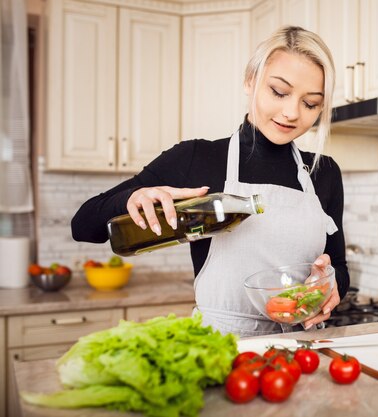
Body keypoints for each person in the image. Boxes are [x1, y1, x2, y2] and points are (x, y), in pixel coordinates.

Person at [71, 26, 349, 337]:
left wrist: (330, 284)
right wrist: (132, 197)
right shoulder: (196, 158)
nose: (291, 112)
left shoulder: (323, 173)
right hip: (219, 348)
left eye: (310, 103)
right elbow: (83, 225)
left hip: (301, 348)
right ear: (250, 80)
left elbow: (338, 264)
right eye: (279, 92)